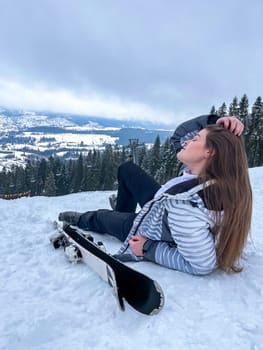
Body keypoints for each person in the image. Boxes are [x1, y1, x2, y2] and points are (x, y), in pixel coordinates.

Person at [58, 114, 252, 275]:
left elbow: (202, 265)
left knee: (102, 218)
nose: (186, 140)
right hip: (162, 210)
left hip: (150, 230)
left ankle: (87, 219)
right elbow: (180, 135)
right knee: (127, 170)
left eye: (195, 139)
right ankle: (121, 212)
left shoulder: (185, 208)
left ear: (209, 152)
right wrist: (216, 121)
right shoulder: (210, 171)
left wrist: (147, 248)